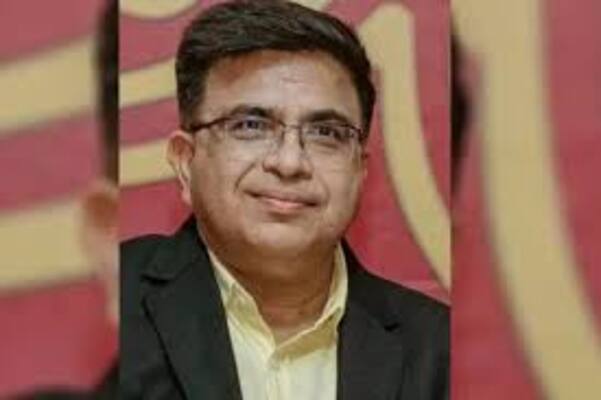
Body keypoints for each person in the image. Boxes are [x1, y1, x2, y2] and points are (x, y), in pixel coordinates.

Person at [121, 1, 449, 399]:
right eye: (251, 125)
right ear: (185, 161)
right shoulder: (108, 309)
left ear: (360, 170)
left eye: (326, 133)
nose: (290, 162)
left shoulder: (439, 350)